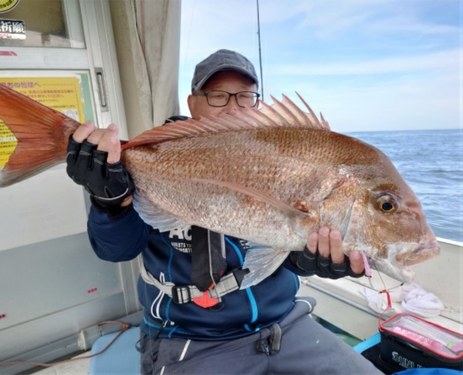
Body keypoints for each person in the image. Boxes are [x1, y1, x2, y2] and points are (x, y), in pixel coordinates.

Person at [66, 49, 383, 374]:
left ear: (257, 105)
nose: (233, 106)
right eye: (218, 95)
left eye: (245, 96)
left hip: (286, 324)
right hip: (192, 339)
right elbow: (116, 249)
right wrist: (109, 203)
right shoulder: (159, 156)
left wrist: (310, 260)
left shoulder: (280, 161)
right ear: (192, 104)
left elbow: (281, 246)